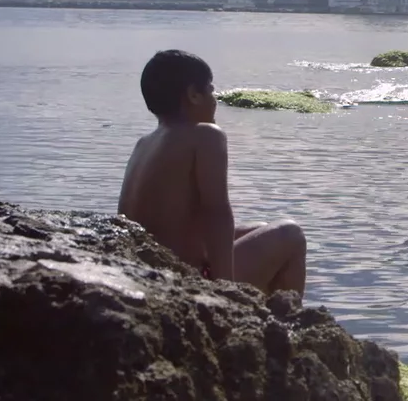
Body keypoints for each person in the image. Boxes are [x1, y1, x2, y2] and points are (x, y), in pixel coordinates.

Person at [117, 49, 307, 296]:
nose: (215, 99)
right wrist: (225, 287)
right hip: (184, 280)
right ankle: (282, 325)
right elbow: (216, 212)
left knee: (260, 227)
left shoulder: (144, 144)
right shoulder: (206, 135)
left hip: (145, 273)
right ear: (194, 95)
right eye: (211, 90)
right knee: (290, 234)